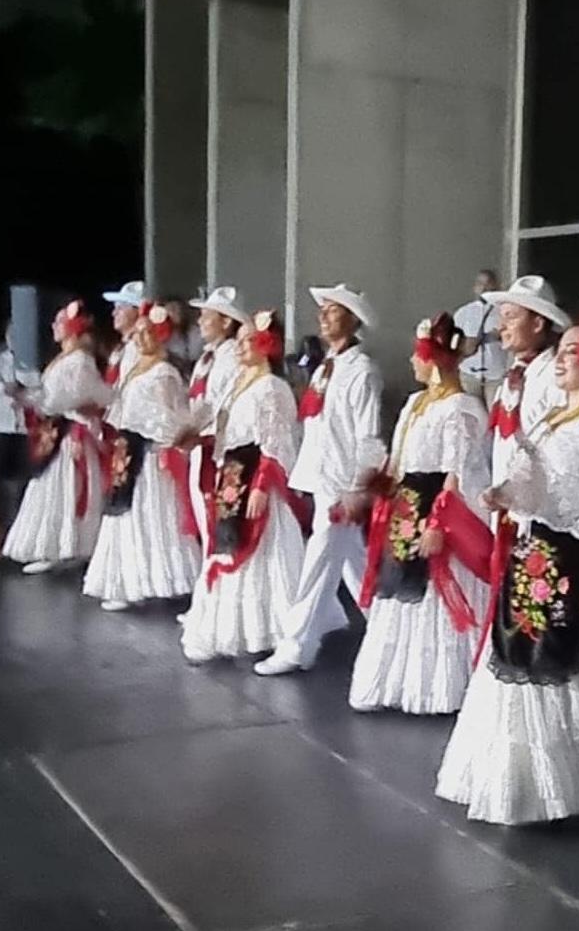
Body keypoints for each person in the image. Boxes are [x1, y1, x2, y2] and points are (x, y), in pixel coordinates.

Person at [436, 309, 579, 824]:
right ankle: (520, 780)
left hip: (573, 558)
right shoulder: (550, 419)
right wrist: (505, 493)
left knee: (565, 659)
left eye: (575, 351)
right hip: (533, 550)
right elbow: (534, 480)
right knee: (516, 649)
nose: (564, 360)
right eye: (563, 350)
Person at [347, 313, 492, 714]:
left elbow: (458, 472)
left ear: (434, 357)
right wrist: (377, 487)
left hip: (435, 506)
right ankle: (395, 680)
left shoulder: (461, 407)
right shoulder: (415, 403)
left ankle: (440, 686)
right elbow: (399, 459)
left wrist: (439, 522)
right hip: (407, 502)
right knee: (399, 589)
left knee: (434, 594)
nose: (413, 361)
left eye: (418, 353)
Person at [255, 283, 383, 676]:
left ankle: (298, 644)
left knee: (320, 560)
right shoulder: (328, 365)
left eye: (333, 310)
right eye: (323, 309)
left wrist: (358, 487)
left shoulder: (362, 371)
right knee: (351, 562)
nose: (323, 315)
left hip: (342, 482)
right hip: (324, 475)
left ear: (352, 319)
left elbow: (369, 434)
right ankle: (385, 624)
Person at [181, 311, 307, 663]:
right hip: (233, 471)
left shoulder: (272, 387)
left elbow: (276, 440)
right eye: (237, 341)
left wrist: (262, 486)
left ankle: (279, 632)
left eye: (246, 341)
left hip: (254, 476)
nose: (238, 347)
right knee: (225, 545)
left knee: (262, 551)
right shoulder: (240, 381)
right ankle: (227, 627)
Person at [82, 304, 201, 611]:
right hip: (129, 449)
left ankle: (160, 579)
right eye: (138, 333)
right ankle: (127, 580)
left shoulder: (165, 372)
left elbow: (173, 415)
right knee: (126, 514)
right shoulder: (135, 367)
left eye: (149, 333)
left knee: (150, 514)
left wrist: (167, 443)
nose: (141, 339)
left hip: (150, 453)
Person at [1, 302, 111, 573]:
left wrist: (33, 399)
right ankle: (52, 546)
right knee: (54, 488)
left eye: (58, 322)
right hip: (60, 430)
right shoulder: (66, 358)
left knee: (67, 488)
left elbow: (73, 399)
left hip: (72, 433)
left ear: (71, 330)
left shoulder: (79, 361)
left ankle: (69, 546)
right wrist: (28, 398)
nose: (53, 327)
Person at [482, 275, 569, 488]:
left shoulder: (555, 376)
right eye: (501, 317)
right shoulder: (514, 375)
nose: (501, 326)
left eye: (510, 317)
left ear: (537, 323)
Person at [183, 287, 249, 557]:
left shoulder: (232, 355)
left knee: (213, 515)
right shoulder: (208, 357)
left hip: (213, 446)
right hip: (200, 444)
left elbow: (221, 403)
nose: (199, 321)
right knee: (203, 515)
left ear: (226, 321)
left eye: (206, 315)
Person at [0, 321, 37, 530]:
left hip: (24, 427)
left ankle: (19, 516)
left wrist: (23, 394)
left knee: (23, 472)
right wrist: (6, 389)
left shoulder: (30, 361)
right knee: (3, 472)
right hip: (2, 425)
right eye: (10, 333)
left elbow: (37, 386)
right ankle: (4, 513)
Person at [454, 268, 508, 404]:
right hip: (469, 374)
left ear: (496, 286)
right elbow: (453, 341)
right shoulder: (464, 312)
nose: (484, 287)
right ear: (475, 287)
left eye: (488, 283)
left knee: (494, 416)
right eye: (480, 283)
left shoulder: (504, 311)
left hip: (495, 374)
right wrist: (465, 345)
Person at [101, 280, 147, 389]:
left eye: (120, 307)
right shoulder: (121, 349)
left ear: (138, 311)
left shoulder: (140, 348)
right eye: (115, 307)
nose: (114, 313)